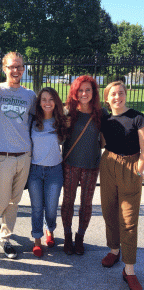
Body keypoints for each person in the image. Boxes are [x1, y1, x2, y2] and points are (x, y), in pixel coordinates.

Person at [0, 51, 37, 259]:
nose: (15, 70)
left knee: (15, 201)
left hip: (25, 154)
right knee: (2, 200)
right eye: (11, 67)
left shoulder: (30, 95)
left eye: (19, 66)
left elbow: (39, 118)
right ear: (4, 69)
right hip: (3, 155)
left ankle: (5, 238)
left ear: (23, 69)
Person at [100, 81, 143, 290]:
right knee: (109, 211)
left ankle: (130, 270)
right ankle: (114, 250)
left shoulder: (137, 117)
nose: (117, 97)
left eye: (121, 93)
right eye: (113, 94)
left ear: (126, 94)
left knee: (128, 219)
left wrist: (140, 165)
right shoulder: (104, 119)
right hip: (108, 163)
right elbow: (99, 141)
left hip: (131, 166)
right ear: (107, 99)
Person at [61, 75, 107, 255]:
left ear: (93, 92)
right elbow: (60, 137)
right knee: (68, 202)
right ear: (75, 92)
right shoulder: (68, 112)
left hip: (91, 164)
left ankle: (80, 237)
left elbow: (103, 141)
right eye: (80, 90)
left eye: (88, 90)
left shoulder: (101, 113)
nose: (84, 93)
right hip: (71, 164)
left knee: (86, 204)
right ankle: (67, 236)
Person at [27, 87, 67, 257]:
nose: (47, 103)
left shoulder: (62, 121)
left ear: (56, 102)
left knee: (51, 207)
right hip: (35, 170)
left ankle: (50, 230)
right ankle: (37, 239)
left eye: (51, 99)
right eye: (44, 99)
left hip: (54, 170)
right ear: (39, 102)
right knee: (37, 207)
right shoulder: (32, 121)